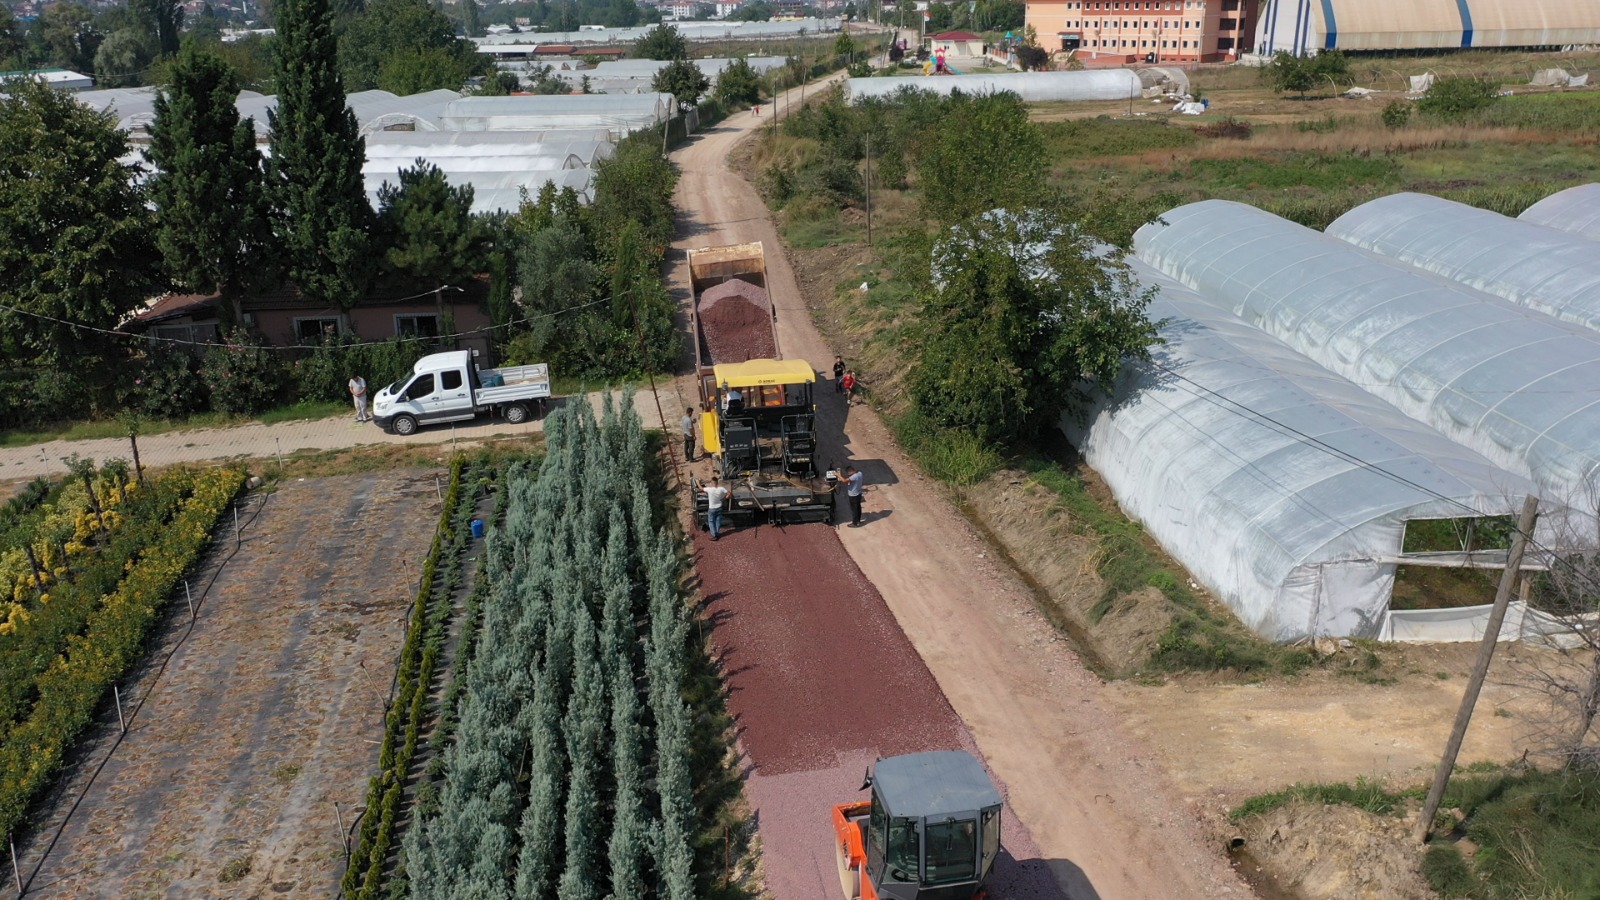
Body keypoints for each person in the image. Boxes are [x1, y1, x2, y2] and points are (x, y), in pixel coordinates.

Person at [704, 476, 730, 541]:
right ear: (717, 483)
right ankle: (717, 533)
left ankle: (714, 535)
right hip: (719, 508)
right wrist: (725, 498)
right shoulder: (721, 489)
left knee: (711, 521)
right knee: (718, 521)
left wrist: (698, 482)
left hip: (712, 509)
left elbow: (701, 488)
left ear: (712, 483)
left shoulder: (709, 489)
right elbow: (729, 493)